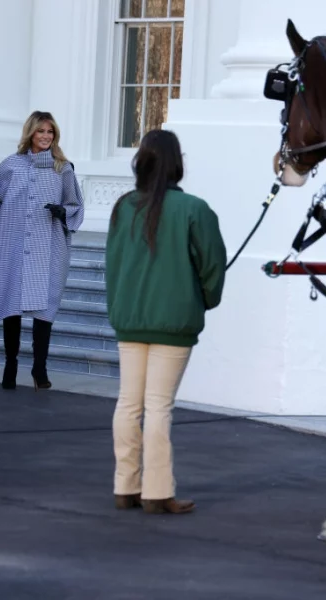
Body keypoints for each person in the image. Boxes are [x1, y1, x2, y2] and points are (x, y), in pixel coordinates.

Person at [105, 129, 226, 515]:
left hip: (130, 318)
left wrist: (119, 307)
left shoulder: (123, 207)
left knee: (129, 404)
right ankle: (157, 492)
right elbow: (212, 266)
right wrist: (204, 300)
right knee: (158, 407)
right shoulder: (195, 209)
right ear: (177, 163)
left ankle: (126, 487)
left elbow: (112, 265)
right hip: (175, 321)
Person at [0, 111, 84, 390]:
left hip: (48, 245)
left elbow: (75, 205)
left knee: (44, 307)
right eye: (40, 131)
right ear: (30, 134)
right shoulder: (11, 165)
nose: (46, 136)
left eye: (50, 132)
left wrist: (61, 211)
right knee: (11, 304)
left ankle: (39, 369)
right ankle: (10, 365)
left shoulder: (63, 168)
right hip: (11, 243)